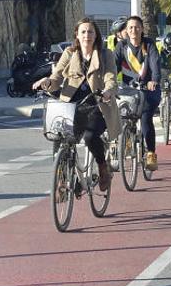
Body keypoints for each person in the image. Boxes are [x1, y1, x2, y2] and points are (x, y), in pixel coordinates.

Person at [34, 17, 121, 190]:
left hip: (98, 104)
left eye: (90, 31)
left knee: (90, 136)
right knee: (59, 136)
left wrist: (108, 90)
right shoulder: (69, 53)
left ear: (96, 35)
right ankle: (61, 178)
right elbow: (57, 76)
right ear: (77, 35)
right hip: (72, 105)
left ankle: (103, 167)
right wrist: (48, 82)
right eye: (83, 31)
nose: (86, 35)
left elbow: (110, 77)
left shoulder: (106, 54)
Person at [115, 16, 162, 171]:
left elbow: (155, 64)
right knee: (121, 116)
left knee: (145, 119)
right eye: (130, 28)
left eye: (136, 27)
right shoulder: (121, 46)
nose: (133, 30)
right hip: (129, 90)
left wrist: (153, 80)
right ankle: (120, 147)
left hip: (148, 90)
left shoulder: (149, 45)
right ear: (126, 31)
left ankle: (150, 153)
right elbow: (113, 67)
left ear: (142, 29)